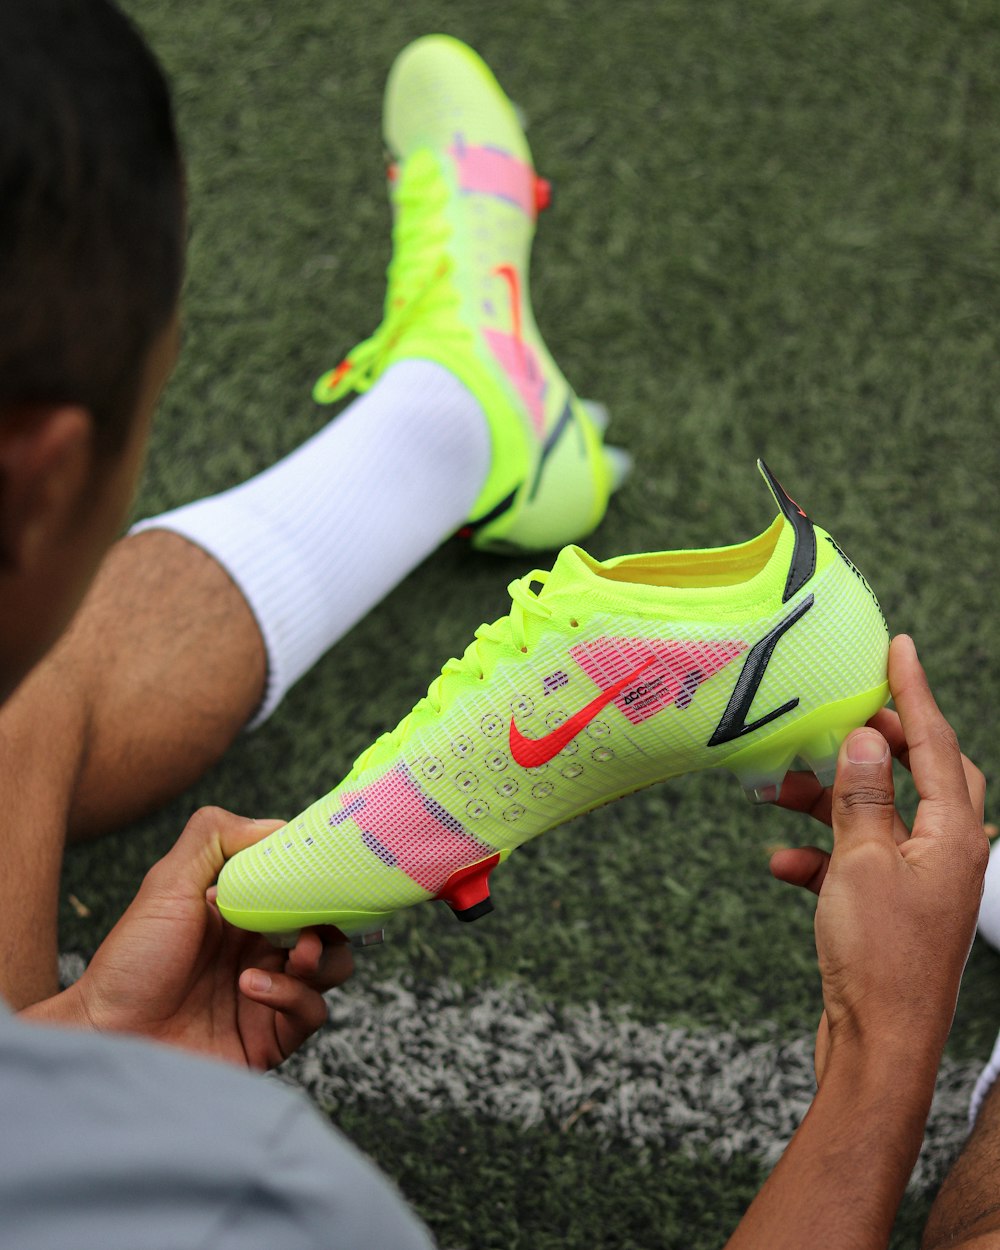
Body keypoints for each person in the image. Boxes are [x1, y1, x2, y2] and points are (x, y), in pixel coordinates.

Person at [0, 2, 992, 1247]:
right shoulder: (249, 1206)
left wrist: (72, 1048)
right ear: (40, 477)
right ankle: (457, 419)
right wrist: (885, 1048)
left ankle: (461, 414)